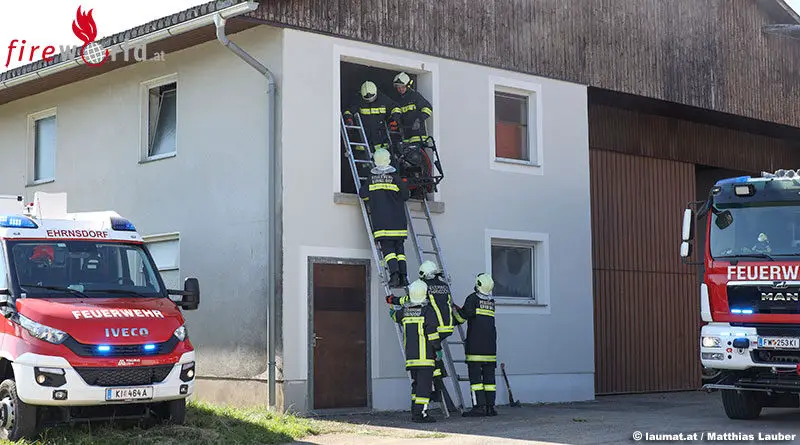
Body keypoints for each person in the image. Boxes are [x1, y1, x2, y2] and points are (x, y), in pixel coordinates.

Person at [389, 279, 442, 423]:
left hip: (411, 358)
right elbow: (432, 334)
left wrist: (391, 307)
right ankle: (421, 414)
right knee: (424, 388)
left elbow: (395, 316)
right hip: (425, 357)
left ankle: (415, 411)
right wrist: (438, 349)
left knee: (416, 385)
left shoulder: (405, 311)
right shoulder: (427, 310)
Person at [359, 148, 410, 287]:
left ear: (375, 162)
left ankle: (394, 277)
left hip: (382, 223)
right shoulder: (395, 178)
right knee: (400, 251)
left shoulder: (372, 179)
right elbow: (405, 195)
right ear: (388, 160)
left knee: (388, 252)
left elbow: (363, 194)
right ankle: (404, 278)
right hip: (399, 223)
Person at [453, 273, 498, 417]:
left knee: (476, 380)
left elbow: (461, 318)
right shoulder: (491, 302)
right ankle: (490, 407)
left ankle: (479, 407)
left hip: (476, 348)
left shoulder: (472, 299)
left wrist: (454, 310)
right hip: (490, 348)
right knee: (489, 380)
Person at [343, 81, 402, 152]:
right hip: (363, 144)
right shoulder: (358, 100)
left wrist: (394, 119)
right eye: (366, 98)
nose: (370, 99)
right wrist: (348, 119)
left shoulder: (383, 99)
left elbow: (395, 108)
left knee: (384, 161)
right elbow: (348, 111)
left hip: (381, 143)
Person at [393, 72, 433, 144]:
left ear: (408, 86)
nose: (400, 89)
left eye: (402, 87)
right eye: (398, 87)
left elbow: (428, 108)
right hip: (405, 136)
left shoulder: (415, 96)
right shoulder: (397, 100)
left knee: (417, 155)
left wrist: (419, 120)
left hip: (418, 135)